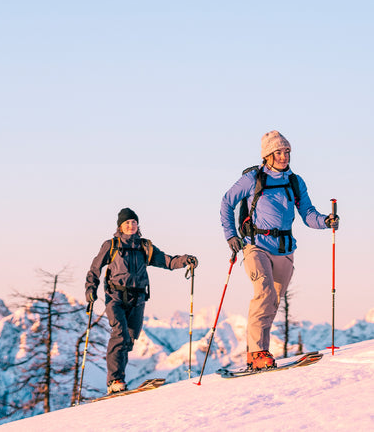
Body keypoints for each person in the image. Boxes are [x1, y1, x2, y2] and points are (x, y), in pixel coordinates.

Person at [220, 131, 339, 370]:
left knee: (273, 301)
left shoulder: (295, 181)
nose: (284, 156)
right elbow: (226, 202)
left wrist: (325, 221)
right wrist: (231, 235)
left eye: (287, 152)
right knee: (263, 293)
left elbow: (307, 213)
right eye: (278, 152)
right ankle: (256, 351)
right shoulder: (253, 179)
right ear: (267, 155)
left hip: (285, 249)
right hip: (256, 246)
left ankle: (257, 352)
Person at [85, 207, 198, 394]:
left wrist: (185, 260)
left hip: (138, 299)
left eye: (134, 222)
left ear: (138, 225)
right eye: (127, 223)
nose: (131, 225)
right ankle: (114, 381)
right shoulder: (111, 245)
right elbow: (95, 269)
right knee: (119, 335)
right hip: (115, 298)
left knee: (129, 340)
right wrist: (90, 290)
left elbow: (167, 261)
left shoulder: (145, 247)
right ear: (120, 226)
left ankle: (118, 380)